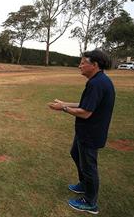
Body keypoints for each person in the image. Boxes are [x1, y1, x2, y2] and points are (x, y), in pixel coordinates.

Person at [48, 49, 115, 215]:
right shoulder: (99, 80)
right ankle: (84, 184)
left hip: (91, 133)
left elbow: (85, 112)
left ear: (95, 65)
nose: (80, 66)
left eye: (83, 63)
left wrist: (62, 108)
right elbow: (86, 103)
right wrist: (66, 103)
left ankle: (90, 202)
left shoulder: (97, 83)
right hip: (86, 131)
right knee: (75, 154)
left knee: (89, 166)